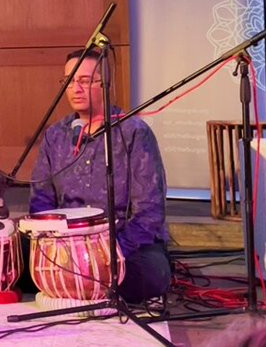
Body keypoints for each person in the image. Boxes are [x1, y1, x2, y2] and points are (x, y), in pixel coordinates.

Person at [29, 47, 171, 303]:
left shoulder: (134, 132)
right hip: (66, 247)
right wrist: (53, 245)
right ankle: (79, 283)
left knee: (149, 275)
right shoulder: (56, 135)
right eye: (69, 81)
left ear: (105, 84)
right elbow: (41, 201)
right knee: (15, 264)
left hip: (122, 246)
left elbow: (149, 212)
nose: (75, 89)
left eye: (84, 81)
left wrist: (108, 253)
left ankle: (80, 285)